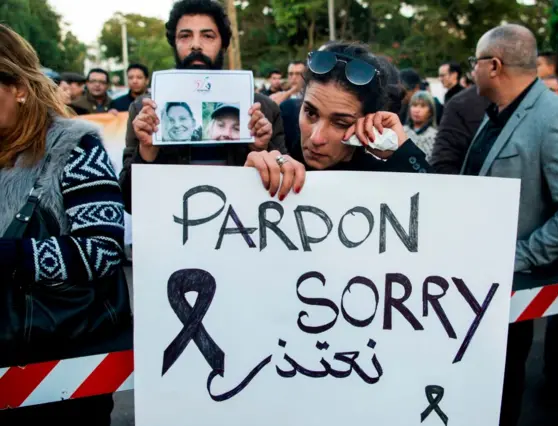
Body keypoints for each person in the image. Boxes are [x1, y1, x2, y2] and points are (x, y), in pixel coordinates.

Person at [465, 24, 558, 426]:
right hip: (474, 283)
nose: (471, 70)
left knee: (500, 391)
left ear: (494, 65)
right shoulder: (498, 113)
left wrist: (518, 256)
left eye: (475, 62)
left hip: (510, 289)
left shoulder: (555, 118)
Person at [0, 24, 126, 425]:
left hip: (65, 364)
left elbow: (102, 249)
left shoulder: (76, 148)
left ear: (19, 86)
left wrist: (13, 255)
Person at [119, 0, 286, 212]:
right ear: (174, 43)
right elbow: (129, 202)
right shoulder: (145, 111)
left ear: (223, 44)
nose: (195, 45)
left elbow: (283, 193)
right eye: (185, 36)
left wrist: (261, 149)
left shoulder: (264, 109)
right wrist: (147, 151)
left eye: (208, 36)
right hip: (172, 232)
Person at [242, 42, 432, 201]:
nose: (316, 138)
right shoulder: (284, 127)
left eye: (340, 123)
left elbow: (438, 211)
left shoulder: (380, 177)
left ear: (369, 121)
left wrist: (402, 152)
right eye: (310, 113)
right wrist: (251, 178)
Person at [402, 91, 438, 161]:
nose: (417, 110)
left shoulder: (435, 136)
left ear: (430, 111)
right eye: (414, 105)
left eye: (423, 106)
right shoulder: (401, 131)